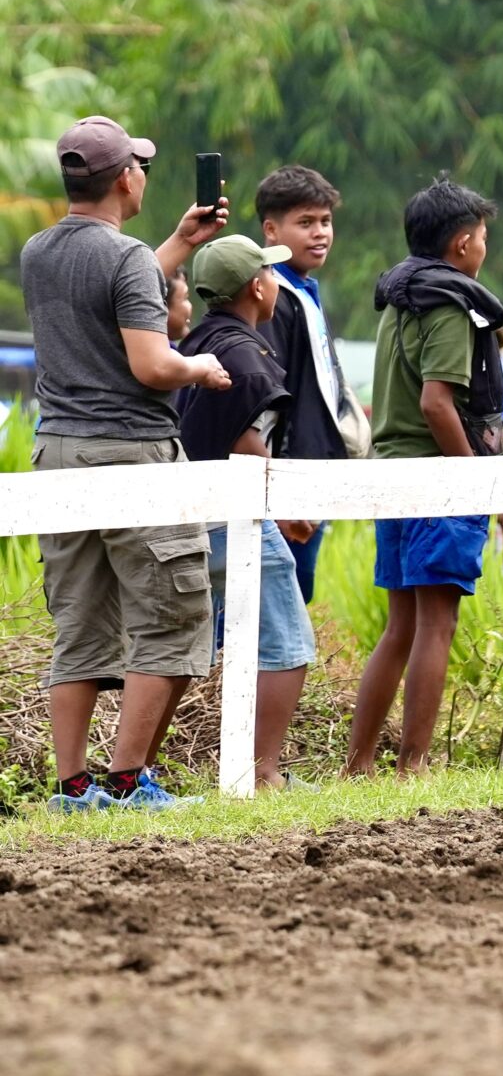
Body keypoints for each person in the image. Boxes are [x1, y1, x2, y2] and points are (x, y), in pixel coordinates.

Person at [22, 116, 233, 812]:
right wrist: (199, 364)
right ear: (125, 179)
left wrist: (177, 244)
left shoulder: (38, 252)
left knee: (81, 619)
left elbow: (109, 291)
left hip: (58, 450)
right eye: (139, 164)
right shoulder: (128, 258)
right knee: (173, 612)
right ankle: (129, 778)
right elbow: (149, 360)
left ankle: (74, 785)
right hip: (132, 453)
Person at [346, 178, 503, 777]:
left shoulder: (400, 297)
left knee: (401, 625)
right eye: (485, 237)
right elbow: (438, 405)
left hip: (392, 471)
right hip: (437, 474)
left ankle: (358, 763)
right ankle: (412, 763)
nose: (485, 247)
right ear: (464, 244)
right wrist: (476, 484)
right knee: (437, 624)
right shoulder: (448, 303)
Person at [174, 234, 318, 789]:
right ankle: (262, 773)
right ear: (258, 286)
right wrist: (283, 510)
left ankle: (135, 774)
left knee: (181, 652)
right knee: (287, 643)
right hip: (232, 518)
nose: (278, 283)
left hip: (186, 518)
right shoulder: (249, 356)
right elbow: (246, 443)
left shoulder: (195, 341)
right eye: (271, 274)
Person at [254, 164, 357, 602]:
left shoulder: (305, 291)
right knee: (269, 611)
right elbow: (263, 401)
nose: (320, 233)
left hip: (312, 476)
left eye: (326, 221)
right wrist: (277, 493)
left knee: (296, 597)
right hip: (282, 482)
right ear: (271, 230)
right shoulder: (269, 296)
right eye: (306, 223)